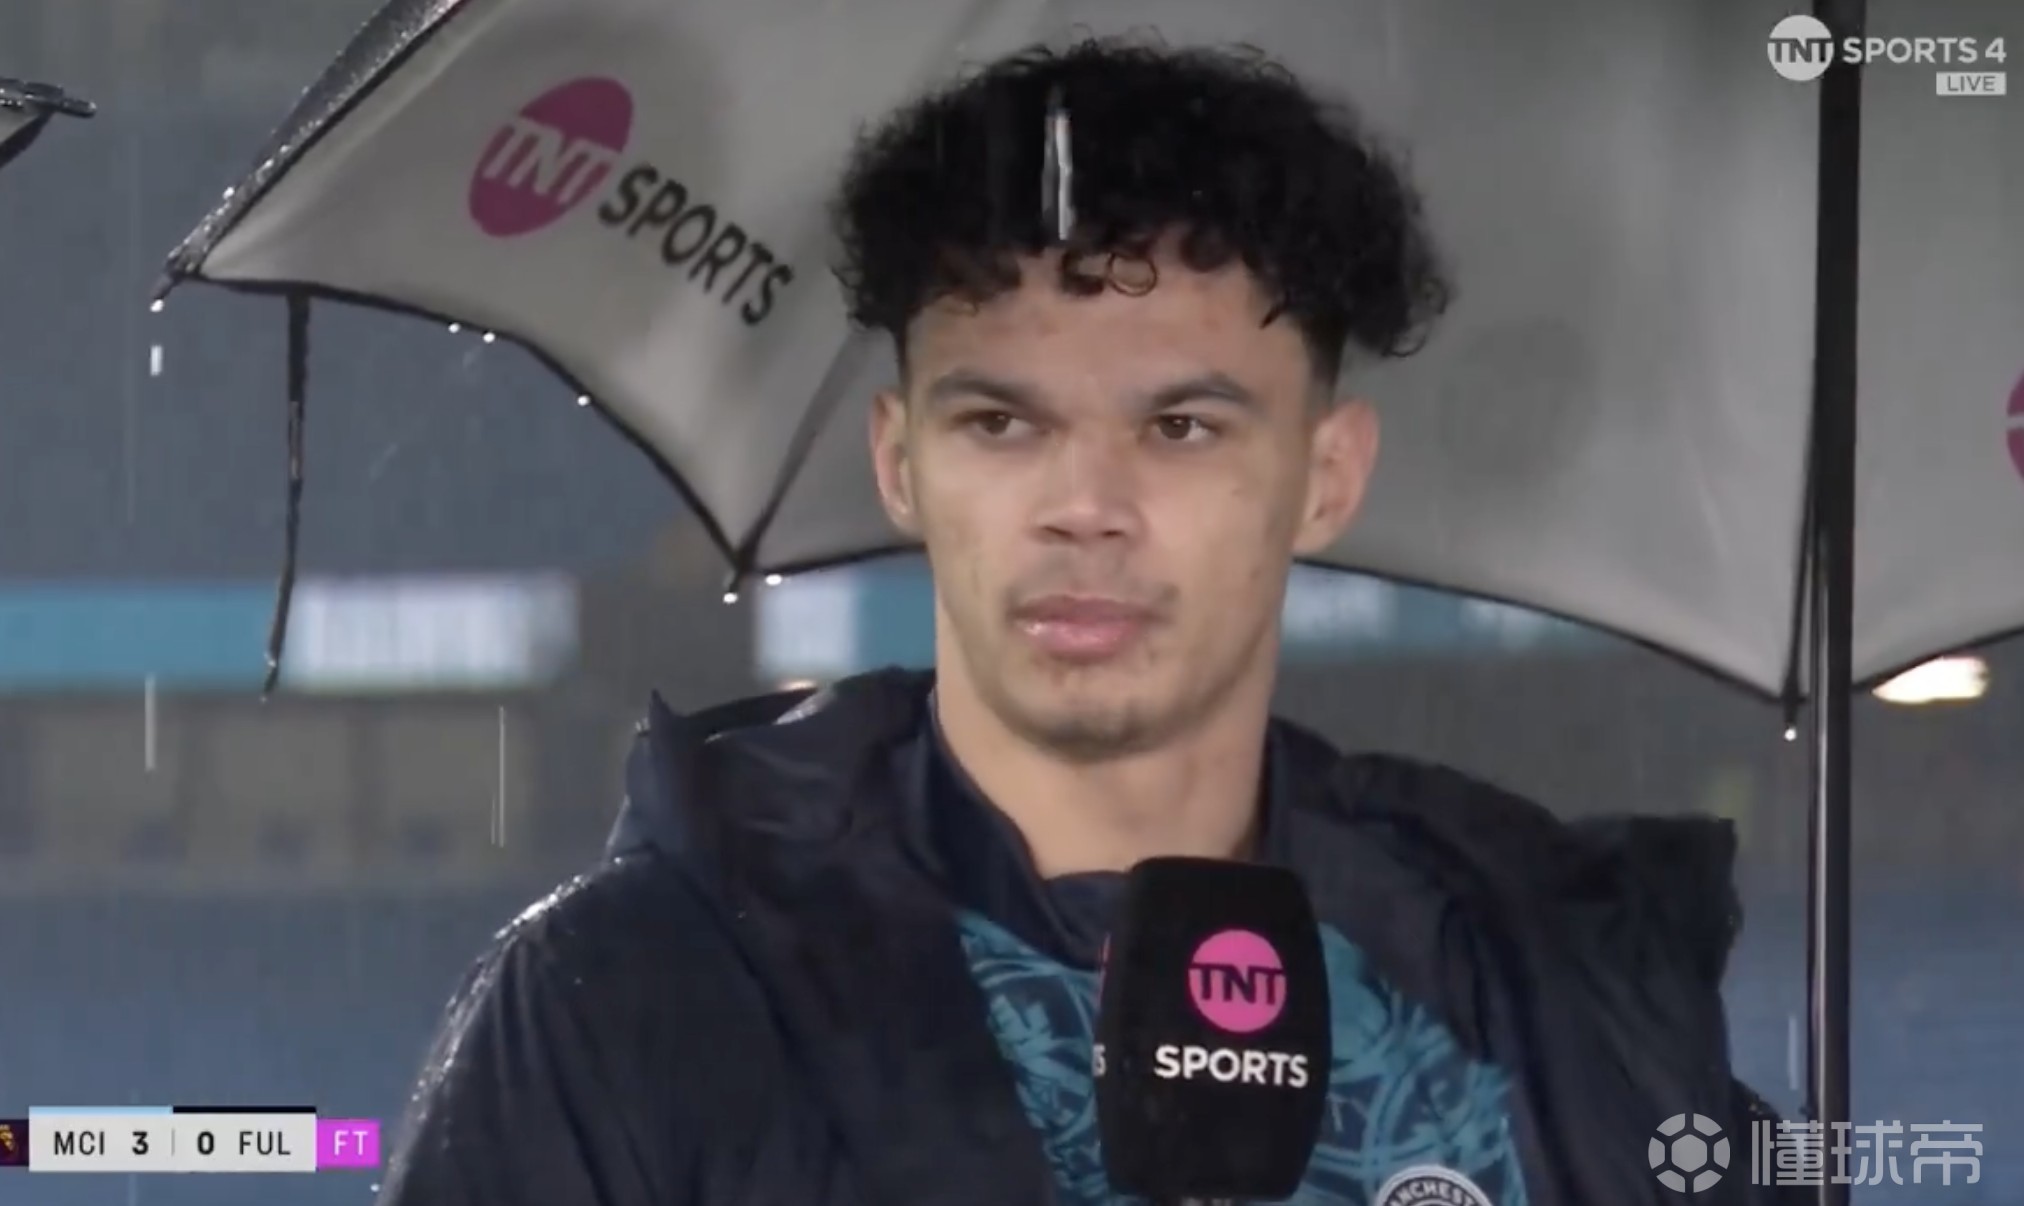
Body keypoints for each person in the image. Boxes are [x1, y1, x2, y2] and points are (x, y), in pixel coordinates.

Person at [377, 39, 1792, 1206]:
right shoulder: (629, 997)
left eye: (1181, 427)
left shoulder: (1557, 997)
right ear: (901, 461)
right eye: (1002, 423)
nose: (1085, 508)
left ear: (1327, 476)